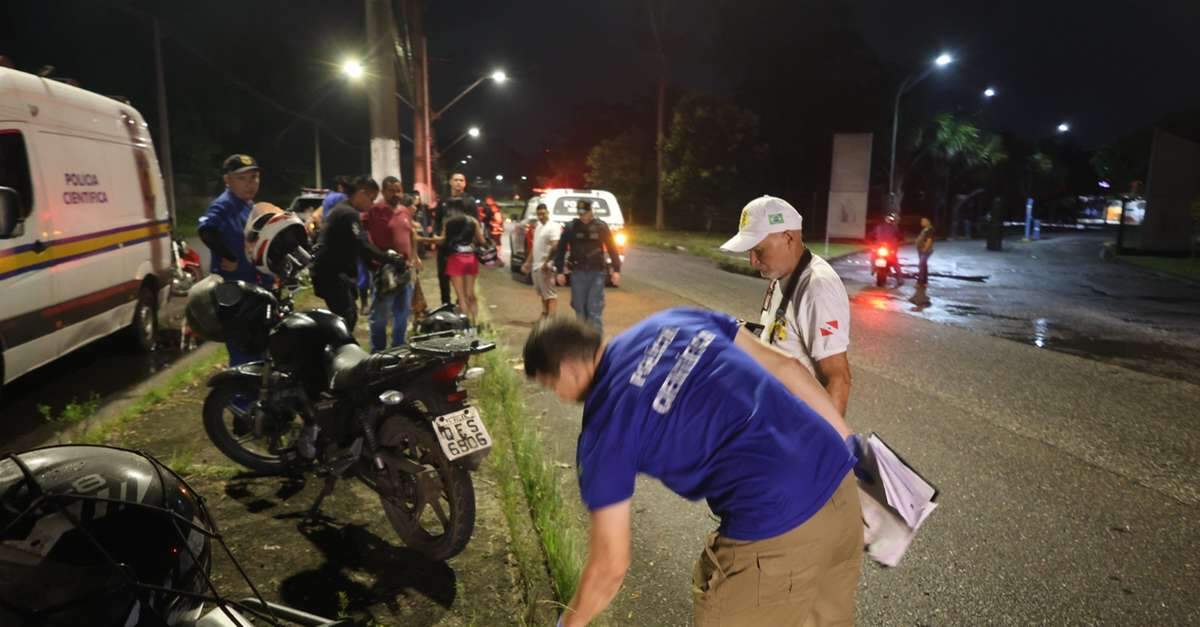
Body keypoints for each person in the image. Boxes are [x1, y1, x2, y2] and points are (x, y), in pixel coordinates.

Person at [523, 310, 860, 627]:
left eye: (551, 385)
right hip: (840, 488)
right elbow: (787, 366)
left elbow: (609, 566)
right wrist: (851, 451)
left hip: (775, 529)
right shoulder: (672, 319)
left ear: (567, 369)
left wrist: (568, 623)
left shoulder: (604, 425)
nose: (560, 395)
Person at [720, 195, 853, 416]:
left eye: (758, 250)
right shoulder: (781, 275)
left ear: (789, 238)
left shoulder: (817, 287)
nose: (752, 261)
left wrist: (824, 438)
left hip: (796, 425)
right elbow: (784, 336)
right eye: (749, 251)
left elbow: (838, 379)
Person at [198, 153, 264, 366]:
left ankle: (255, 384)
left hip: (253, 287)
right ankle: (241, 387)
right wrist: (229, 257)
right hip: (233, 290)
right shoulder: (225, 204)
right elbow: (207, 230)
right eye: (242, 178)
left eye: (253, 177)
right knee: (242, 347)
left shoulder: (249, 205)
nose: (250, 184)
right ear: (227, 180)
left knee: (258, 344)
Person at [310, 176, 398, 331]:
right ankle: (337, 344)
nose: (372, 204)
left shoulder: (343, 210)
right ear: (361, 194)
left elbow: (358, 247)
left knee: (346, 316)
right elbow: (362, 245)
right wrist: (389, 259)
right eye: (371, 199)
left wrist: (375, 265)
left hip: (330, 272)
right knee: (346, 318)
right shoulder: (348, 213)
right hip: (332, 273)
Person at [364, 176, 422, 351]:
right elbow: (362, 233)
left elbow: (411, 233)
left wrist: (414, 257)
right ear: (383, 192)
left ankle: (398, 348)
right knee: (380, 315)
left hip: (404, 270)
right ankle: (378, 351)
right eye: (392, 191)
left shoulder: (404, 211)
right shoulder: (375, 211)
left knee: (402, 313)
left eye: (399, 190)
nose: (396, 194)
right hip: (385, 271)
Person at [554, 200, 621, 334]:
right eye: (580, 213)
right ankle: (582, 340)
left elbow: (612, 248)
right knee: (579, 308)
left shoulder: (601, 227)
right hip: (577, 272)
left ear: (591, 211)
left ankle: (596, 341)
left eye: (585, 213)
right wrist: (559, 271)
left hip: (596, 273)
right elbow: (561, 250)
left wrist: (616, 270)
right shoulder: (571, 227)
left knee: (593, 309)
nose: (583, 216)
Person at [430, 210, 486, 324]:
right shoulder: (472, 221)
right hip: (470, 258)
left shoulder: (448, 222)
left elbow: (442, 241)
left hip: (456, 259)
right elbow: (482, 241)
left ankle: (465, 324)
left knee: (461, 297)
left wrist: (427, 239)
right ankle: (475, 322)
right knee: (470, 294)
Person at [435, 172, 476, 306]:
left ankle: (461, 306)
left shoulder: (470, 202)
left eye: (461, 180)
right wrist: (436, 236)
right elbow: (437, 221)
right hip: (445, 247)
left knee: (463, 283)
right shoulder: (443, 201)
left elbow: (475, 223)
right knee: (443, 278)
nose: (458, 182)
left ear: (465, 183)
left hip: (462, 249)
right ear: (450, 182)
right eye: (456, 180)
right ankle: (446, 305)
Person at [522, 203, 562, 320]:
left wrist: (547, 262)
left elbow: (555, 246)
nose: (541, 216)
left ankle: (551, 320)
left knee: (550, 295)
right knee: (543, 294)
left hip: (545, 265)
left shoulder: (553, 227)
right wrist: (528, 262)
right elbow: (535, 247)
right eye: (539, 214)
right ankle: (545, 314)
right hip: (536, 265)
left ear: (548, 213)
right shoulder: (539, 227)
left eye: (543, 213)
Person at [872, 213, 904, 286]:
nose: (889, 220)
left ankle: (873, 269)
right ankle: (899, 278)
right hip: (883, 249)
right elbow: (872, 235)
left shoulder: (882, 227)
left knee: (894, 261)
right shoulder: (891, 227)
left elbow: (871, 235)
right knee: (894, 262)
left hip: (887, 249)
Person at [911, 216, 935, 305]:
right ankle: (924, 281)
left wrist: (925, 248)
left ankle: (920, 282)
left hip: (925, 250)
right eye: (922, 221)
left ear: (928, 221)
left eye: (924, 221)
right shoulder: (925, 229)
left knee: (921, 265)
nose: (922, 222)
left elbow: (929, 240)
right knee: (924, 265)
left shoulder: (930, 230)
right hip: (921, 250)